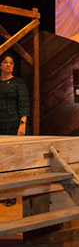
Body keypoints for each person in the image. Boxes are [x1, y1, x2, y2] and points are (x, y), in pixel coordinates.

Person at [1, 52, 30, 206]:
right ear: (0, 65)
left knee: (13, 161)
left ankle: (12, 194)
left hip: (14, 125)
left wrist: (22, 123)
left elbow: (24, 103)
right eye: (5, 62)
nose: (8, 65)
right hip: (1, 125)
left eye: (11, 63)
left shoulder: (19, 83)